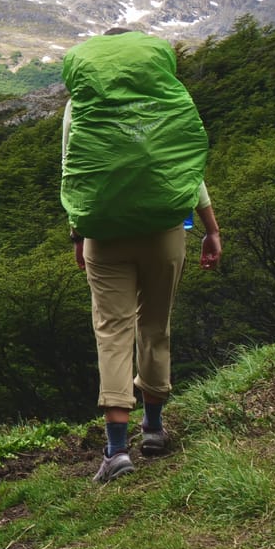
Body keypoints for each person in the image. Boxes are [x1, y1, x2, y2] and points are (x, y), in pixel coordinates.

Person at [60, 28, 222, 484]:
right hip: (164, 230)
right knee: (155, 326)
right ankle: (153, 428)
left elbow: (74, 170)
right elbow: (186, 169)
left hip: (105, 234)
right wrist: (211, 229)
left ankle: (116, 451)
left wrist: (78, 234)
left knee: (112, 332)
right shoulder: (166, 97)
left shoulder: (80, 104)